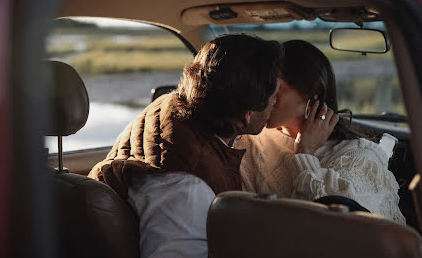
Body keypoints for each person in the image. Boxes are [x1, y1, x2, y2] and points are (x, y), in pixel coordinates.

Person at [88, 34, 284, 257]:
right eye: (274, 98)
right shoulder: (186, 186)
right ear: (247, 115)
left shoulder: (171, 105)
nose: (276, 104)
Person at [237, 39, 406, 224]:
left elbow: (334, 229)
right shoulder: (250, 142)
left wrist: (305, 153)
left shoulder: (361, 156)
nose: (264, 96)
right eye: (263, 86)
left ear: (311, 94)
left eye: (276, 88)